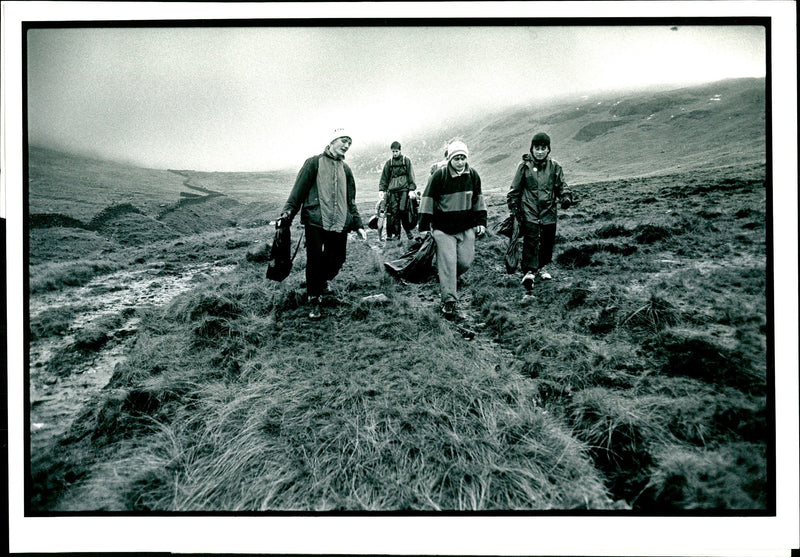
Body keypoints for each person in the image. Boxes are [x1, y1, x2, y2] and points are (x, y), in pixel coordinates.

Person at [278, 128, 367, 319]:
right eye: (344, 140)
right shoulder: (313, 163)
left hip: (341, 221)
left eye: (349, 143)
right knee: (315, 260)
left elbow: (351, 200)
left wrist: (358, 224)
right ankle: (314, 297)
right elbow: (297, 192)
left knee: (338, 258)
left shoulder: (346, 170)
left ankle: (321, 282)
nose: (347, 145)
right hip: (316, 221)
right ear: (332, 140)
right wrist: (287, 214)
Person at [418, 139, 487, 319]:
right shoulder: (439, 176)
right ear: (450, 159)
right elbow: (427, 201)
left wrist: (481, 222)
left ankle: (446, 276)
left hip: (466, 227)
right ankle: (448, 301)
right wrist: (424, 226)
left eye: (463, 158)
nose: (460, 162)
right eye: (456, 158)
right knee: (448, 263)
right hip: (443, 229)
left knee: (465, 262)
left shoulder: (473, 176)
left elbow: (478, 200)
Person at [506, 132, 574, 297]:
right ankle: (529, 271)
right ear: (532, 148)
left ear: (548, 149)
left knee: (547, 241)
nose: (540, 151)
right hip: (529, 210)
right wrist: (513, 206)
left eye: (544, 148)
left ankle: (542, 267)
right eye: (537, 148)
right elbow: (515, 189)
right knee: (531, 240)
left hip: (549, 211)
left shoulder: (555, 166)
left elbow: (561, 185)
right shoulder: (523, 166)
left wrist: (565, 197)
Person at [378, 141, 417, 241]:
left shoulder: (406, 161)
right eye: (393, 151)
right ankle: (397, 235)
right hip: (392, 191)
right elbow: (384, 177)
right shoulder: (389, 163)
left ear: (400, 150)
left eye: (396, 151)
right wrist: (381, 189)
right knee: (394, 213)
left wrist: (411, 189)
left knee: (403, 210)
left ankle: (408, 231)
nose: (395, 153)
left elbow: (411, 175)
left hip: (404, 190)